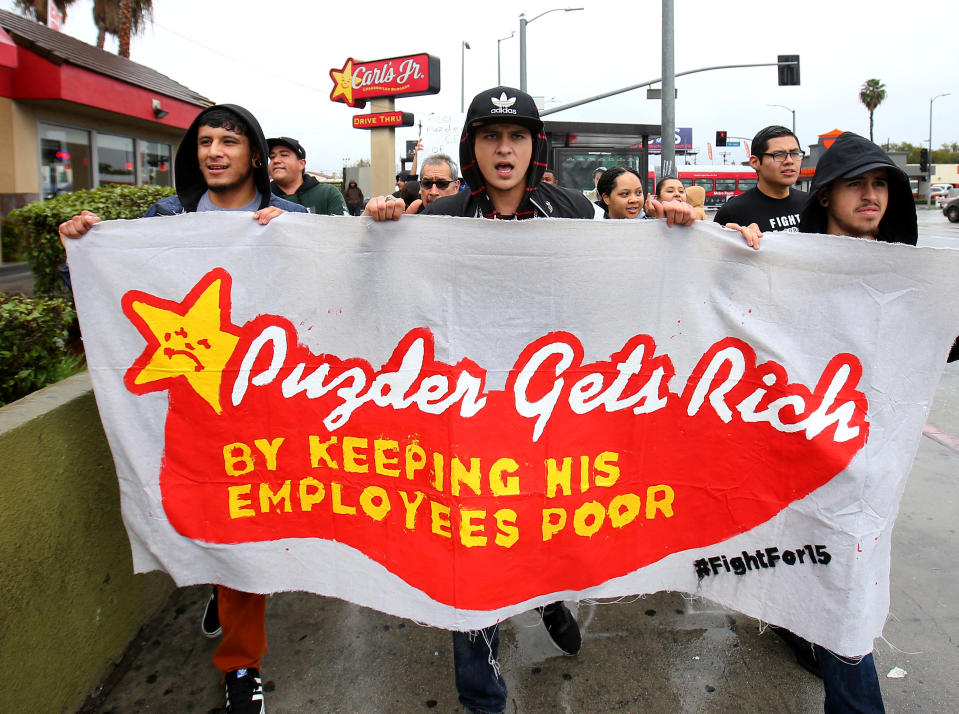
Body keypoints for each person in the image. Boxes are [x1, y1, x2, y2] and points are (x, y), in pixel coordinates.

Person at [365, 85, 696, 714]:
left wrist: (670, 230)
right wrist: (378, 228)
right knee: (470, 557)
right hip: (466, 419)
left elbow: (621, 278)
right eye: (490, 137)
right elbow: (382, 290)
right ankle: (482, 697)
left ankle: (547, 593)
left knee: (541, 523)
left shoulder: (571, 209)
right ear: (473, 148)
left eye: (516, 136)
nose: (504, 149)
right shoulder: (437, 218)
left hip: (551, 415)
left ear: (534, 146)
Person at [59, 104, 305, 714]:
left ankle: (239, 654)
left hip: (268, 403)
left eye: (228, 141)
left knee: (253, 528)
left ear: (254, 152)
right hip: (191, 406)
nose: (213, 152)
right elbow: (108, 291)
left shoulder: (294, 217)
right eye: (203, 142)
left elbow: (351, 284)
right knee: (222, 523)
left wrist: (302, 242)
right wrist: (85, 248)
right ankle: (238, 649)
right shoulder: (165, 218)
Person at [738, 131, 959, 712]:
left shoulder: (907, 277)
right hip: (795, 475)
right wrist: (729, 250)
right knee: (837, 606)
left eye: (881, 183)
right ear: (827, 195)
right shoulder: (783, 267)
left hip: (866, 482)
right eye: (857, 184)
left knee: (843, 607)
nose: (872, 195)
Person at [714, 125, 806, 234]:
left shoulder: (811, 204)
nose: (789, 161)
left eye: (795, 154)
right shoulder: (732, 212)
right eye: (779, 155)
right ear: (755, 162)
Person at [267, 136, 347, 215]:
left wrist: (290, 219)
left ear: (301, 164)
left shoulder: (327, 194)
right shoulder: (261, 196)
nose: (276, 160)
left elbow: (343, 226)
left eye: (284, 155)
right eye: (272, 157)